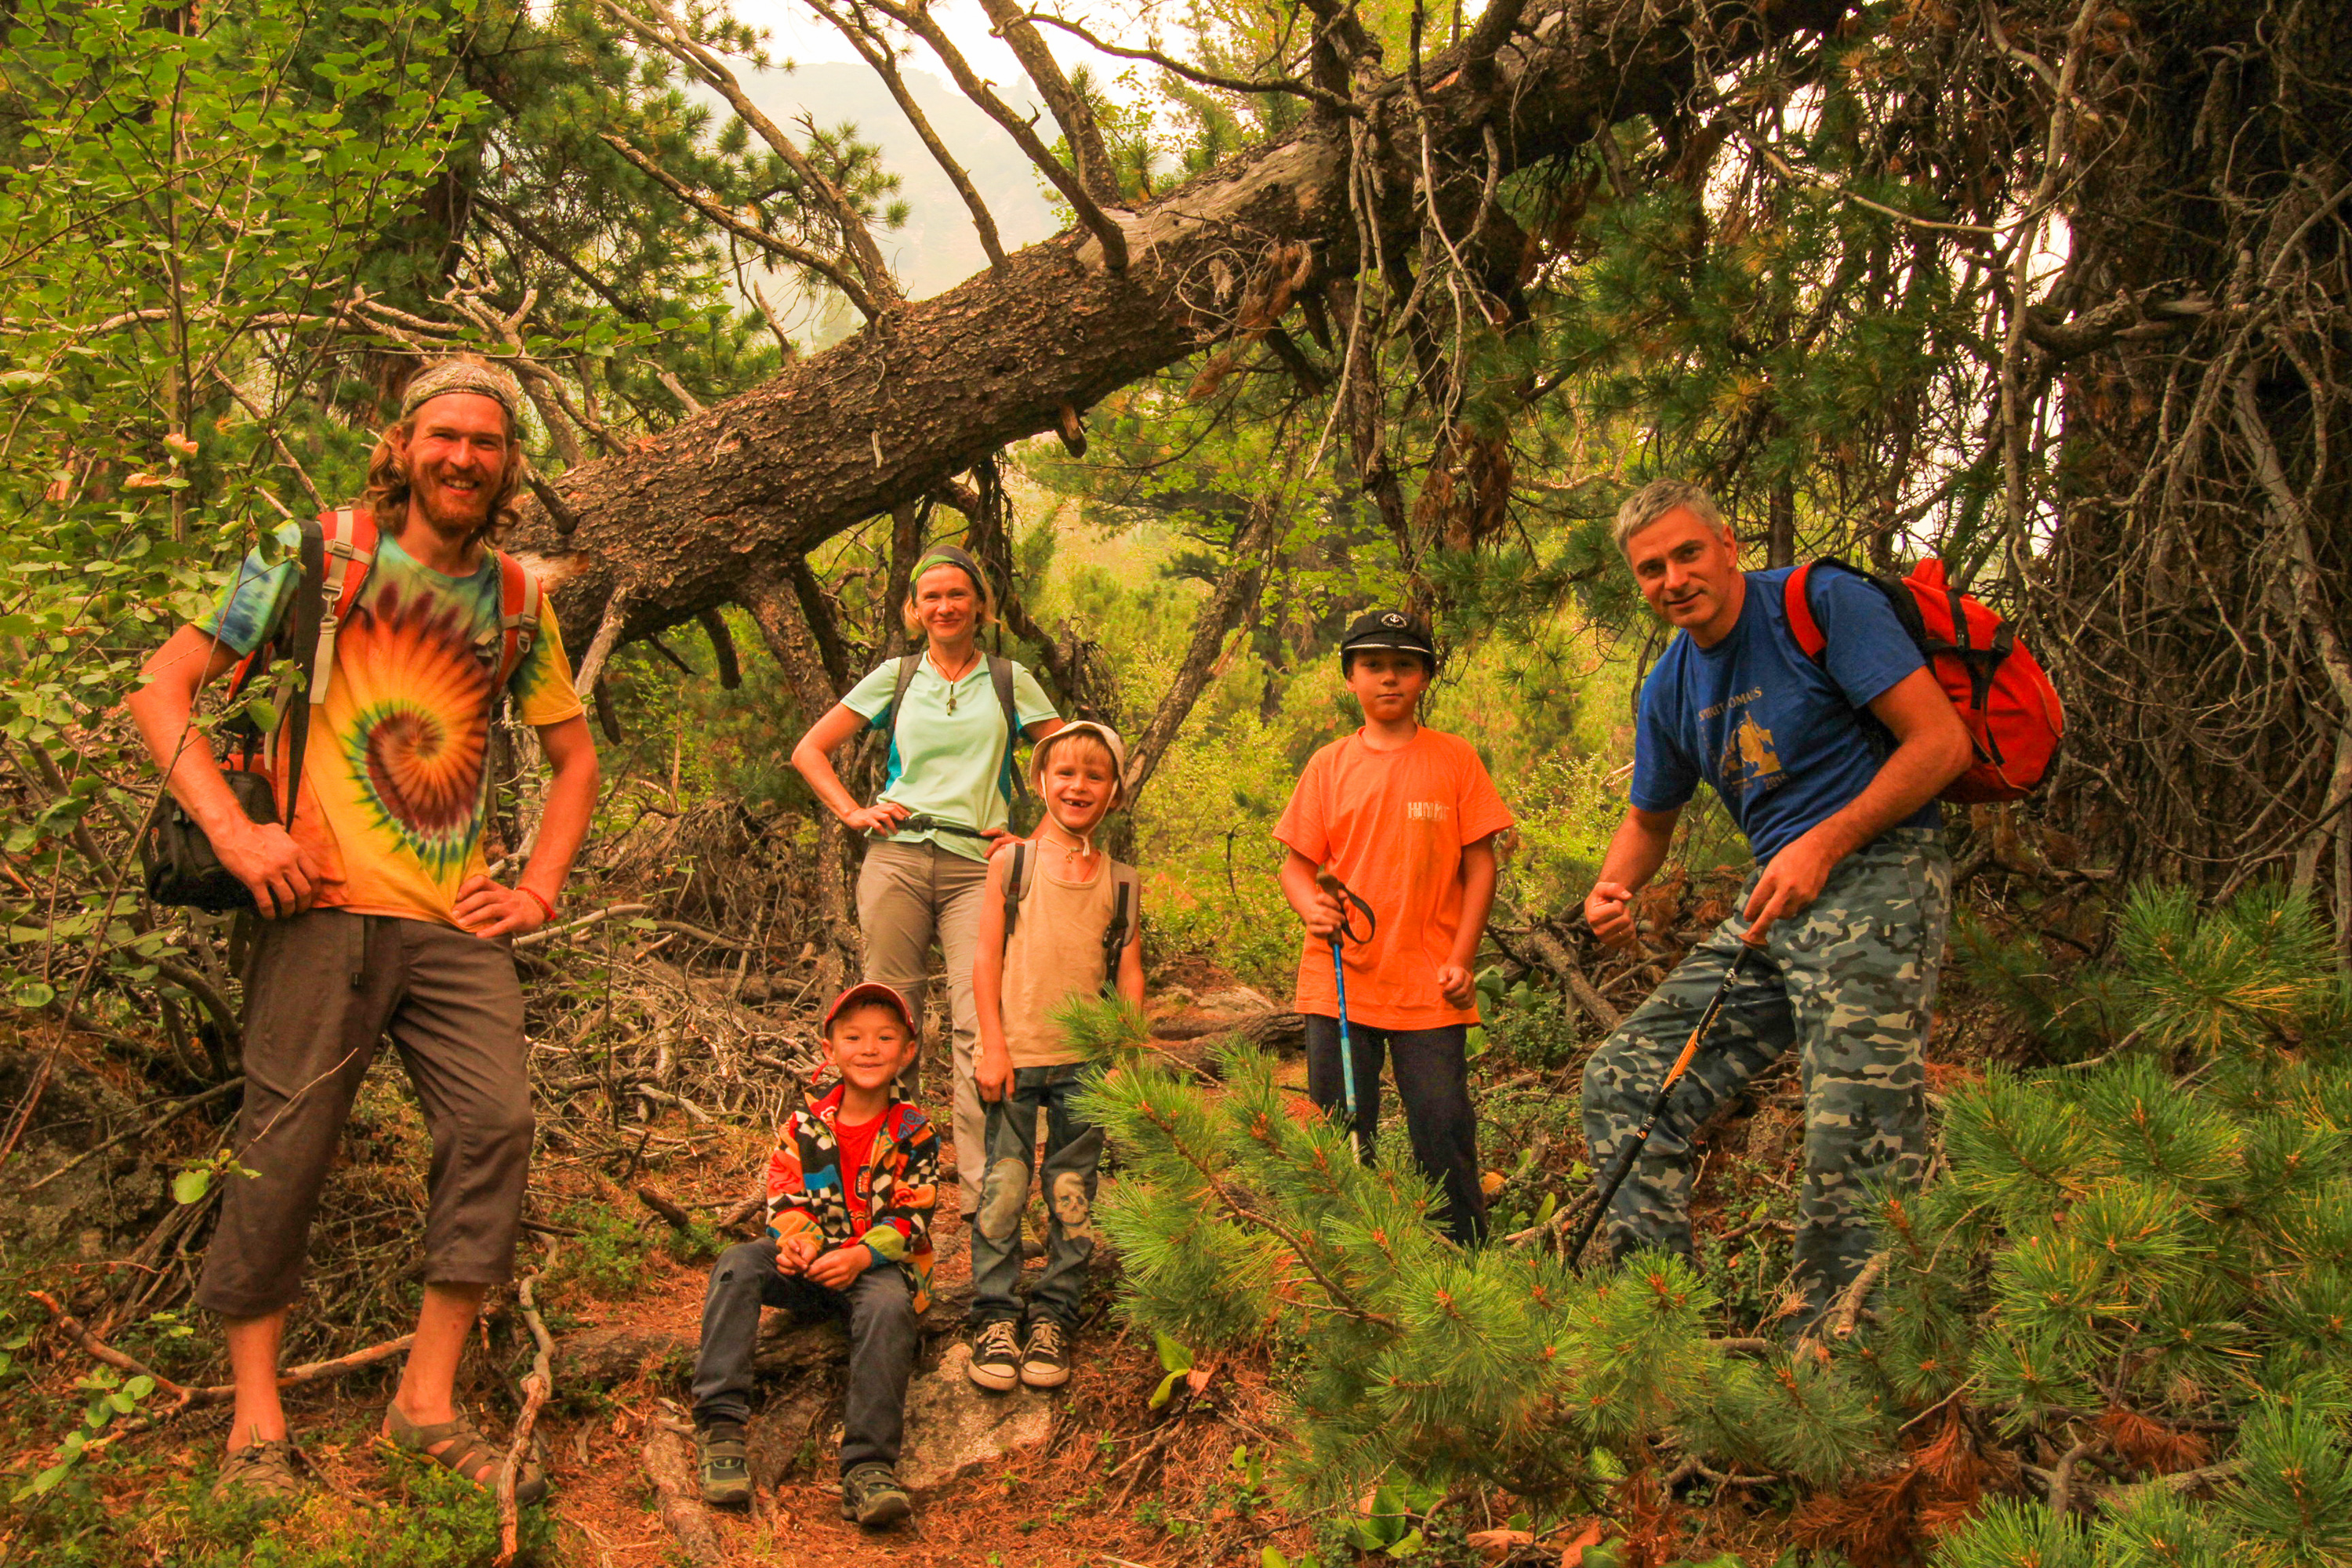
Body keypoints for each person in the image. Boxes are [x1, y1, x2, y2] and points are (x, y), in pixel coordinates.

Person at [124, 358, 599, 1502]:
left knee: (494, 1128)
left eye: (486, 443)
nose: (462, 459)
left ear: (508, 466)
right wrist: (241, 840)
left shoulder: (521, 599)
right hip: (321, 911)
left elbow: (574, 758)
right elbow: (160, 688)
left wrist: (535, 889)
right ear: (402, 445)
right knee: (283, 1152)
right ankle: (255, 1423)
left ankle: (423, 1405)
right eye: (444, 436)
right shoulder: (313, 554)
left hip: (455, 923)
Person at [1579, 479, 1972, 1331]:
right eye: (1652, 568)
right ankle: (1662, 1338)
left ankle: (1835, 1364)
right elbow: (1649, 817)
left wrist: (1824, 842)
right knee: (1624, 1081)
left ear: (1728, 545)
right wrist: (1614, 887)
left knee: (1854, 1123)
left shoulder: (1818, 602)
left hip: (1880, 871)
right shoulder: (1670, 686)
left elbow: (1942, 742)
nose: (1674, 577)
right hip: (1778, 899)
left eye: (1688, 552)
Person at [790, 546, 1063, 1219]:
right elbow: (809, 751)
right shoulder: (898, 675)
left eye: (957, 595)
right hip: (897, 860)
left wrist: (1039, 838)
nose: (944, 607)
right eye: (931, 597)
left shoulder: (1010, 679)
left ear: (980, 606)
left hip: (981, 865)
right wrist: (854, 813)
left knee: (980, 1030)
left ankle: (985, 1201)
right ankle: (889, 1188)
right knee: (888, 1024)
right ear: (915, 610)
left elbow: (1072, 756)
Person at [1275, 611, 1514, 1246]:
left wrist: (1464, 961)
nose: (1389, 678)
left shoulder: (1455, 759)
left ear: (1425, 678)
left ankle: (1464, 1266)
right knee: (1342, 1131)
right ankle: (1347, 1263)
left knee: (1442, 1126)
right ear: (1350, 677)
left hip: (1431, 983)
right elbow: (1296, 869)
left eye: (1405, 665)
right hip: (1340, 983)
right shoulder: (1328, 766)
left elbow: (1481, 865)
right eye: (1374, 665)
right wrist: (1310, 907)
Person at [689, 982, 938, 1529]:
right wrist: (796, 1244)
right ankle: (721, 1429)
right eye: (853, 1037)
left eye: (884, 1037)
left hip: (876, 1272)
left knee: (889, 1308)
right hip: (813, 1268)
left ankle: (868, 1468)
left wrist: (861, 1257)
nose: (868, 1048)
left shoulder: (914, 1130)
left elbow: (912, 1214)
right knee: (737, 1264)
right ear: (830, 1050)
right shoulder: (804, 1127)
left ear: (907, 1051)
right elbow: (785, 1198)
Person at [965, 721, 1142, 1392]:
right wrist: (992, 1042)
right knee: (1004, 1190)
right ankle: (995, 1316)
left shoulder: (1122, 882)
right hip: (1014, 1056)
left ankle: (1054, 1317)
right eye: (1065, 773)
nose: (1078, 786)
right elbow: (985, 959)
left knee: (1072, 1194)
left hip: (1085, 1065)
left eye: (1095, 777)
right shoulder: (1012, 865)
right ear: (1041, 782)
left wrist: (1123, 1054)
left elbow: (1128, 972)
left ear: (1114, 794)